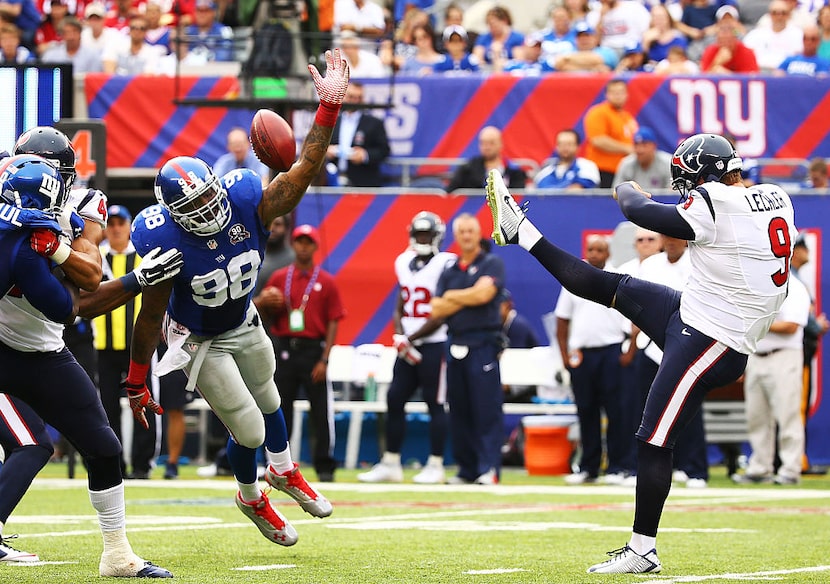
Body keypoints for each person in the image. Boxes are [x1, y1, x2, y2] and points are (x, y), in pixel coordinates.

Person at [486, 132, 796, 573]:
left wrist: (626, 185)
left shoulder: (716, 204)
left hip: (712, 339)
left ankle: (642, 550)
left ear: (706, 176)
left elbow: (635, 209)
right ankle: (521, 231)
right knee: (605, 284)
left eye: (688, 181)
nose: (686, 190)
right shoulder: (776, 195)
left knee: (652, 439)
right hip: (695, 312)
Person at [125, 49, 348, 547]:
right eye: (192, 206)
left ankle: (284, 470)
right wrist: (138, 378)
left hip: (241, 318)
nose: (206, 209)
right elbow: (150, 315)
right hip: (198, 339)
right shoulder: (163, 240)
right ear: (172, 214)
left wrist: (328, 110)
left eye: (208, 196)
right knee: (248, 430)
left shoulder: (249, 197)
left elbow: (303, 170)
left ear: (217, 184)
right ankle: (250, 497)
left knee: (270, 397)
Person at [0, 148, 182, 575]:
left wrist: (59, 252)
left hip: (45, 352)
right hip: (2, 351)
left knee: (103, 447)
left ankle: (117, 555)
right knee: (30, 444)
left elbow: (90, 277)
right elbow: (67, 306)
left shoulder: (74, 211)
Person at [358, 211, 454, 484]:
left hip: (434, 345)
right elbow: (400, 302)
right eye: (419, 234)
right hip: (407, 347)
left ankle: (436, 464)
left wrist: (410, 338)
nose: (423, 239)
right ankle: (391, 462)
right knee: (395, 399)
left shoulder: (446, 264)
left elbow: (443, 312)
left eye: (427, 234)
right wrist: (400, 333)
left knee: (435, 404)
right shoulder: (403, 262)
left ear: (437, 236)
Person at [411, 213, 505, 485]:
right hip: (455, 341)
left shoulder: (492, 263)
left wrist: (453, 297)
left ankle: (489, 468)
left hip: (483, 343)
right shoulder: (450, 269)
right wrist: (465, 296)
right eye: (461, 231)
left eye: (470, 231)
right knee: (459, 409)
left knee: (486, 409)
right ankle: (467, 469)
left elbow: (485, 294)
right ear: (455, 235)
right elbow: (436, 307)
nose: (466, 235)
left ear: (478, 234)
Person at [258, 224, 346, 483]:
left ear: (315, 246)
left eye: (309, 242)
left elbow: (334, 320)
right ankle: (278, 463)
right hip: (284, 347)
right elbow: (262, 310)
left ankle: (324, 466)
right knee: (279, 409)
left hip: (312, 350)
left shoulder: (326, 282)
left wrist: (325, 358)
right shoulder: (279, 277)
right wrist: (265, 302)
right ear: (294, 245)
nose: (304, 246)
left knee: (320, 411)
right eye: (300, 242)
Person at [635, 235, 709, 489]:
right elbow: (639, 303)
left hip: (686, 346)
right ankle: (661, 467)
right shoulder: (650, 265)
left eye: (676, 237)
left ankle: (696, 469)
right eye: (667, 237)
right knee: (649, 412)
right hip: (651, 345)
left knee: (689, 410)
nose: (671, 242)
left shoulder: (699, 263)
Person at [93, 204, 160, 480]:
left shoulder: (145, 257)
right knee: (106, 408)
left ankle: (143, 465)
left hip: (138, 347)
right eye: (112, 223)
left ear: (130, 226)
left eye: (121, 223)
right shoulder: (96, 257)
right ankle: (115, 464)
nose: (116, 228)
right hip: (104, 346)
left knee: (145, 402)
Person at [554, 234, 628, 485]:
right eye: (590, 249)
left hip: (611, 350)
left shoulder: (619, 278)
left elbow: (631, 320)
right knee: (586, 410)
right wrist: (564, 354)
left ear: (608, 254)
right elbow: (562, 319)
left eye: (599, 250)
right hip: (582, 355)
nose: (594, 254)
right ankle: (589, 467)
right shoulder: (574, 277)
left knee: (616, 412)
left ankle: (617, 467)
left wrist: (628, 352)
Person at [732, 273, 810, 485]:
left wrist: (758, 324)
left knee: (788, 415)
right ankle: (760, 468)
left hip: (784, 355)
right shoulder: (758, 285)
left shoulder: (794, 287)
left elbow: (791, 326)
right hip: (757, 355)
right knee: (756, 417)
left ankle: (790, 470)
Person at [327, 80, 391, 187]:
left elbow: (384, 150)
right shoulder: (331, 121)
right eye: (351, 97)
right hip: (332, 179)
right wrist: (326, 151)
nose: (355, 101)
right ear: (344, 97)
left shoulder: (374, 123)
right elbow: (316, 145)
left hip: (363, 181)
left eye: (359, 98)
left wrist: (365, 155)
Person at [583, 78, 637, 188]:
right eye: (614, 92)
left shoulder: (627, 116)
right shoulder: (599, 112)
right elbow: (598, 140)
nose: (618, 96)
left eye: (621, 92)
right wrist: (627, 148)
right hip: (603, 170)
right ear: (607, 95)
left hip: (624, 170)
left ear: (627, 95)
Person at [446, 126, 527, 193]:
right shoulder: (467, 169)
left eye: (491, 143)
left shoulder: (514, 171)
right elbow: (450, 192)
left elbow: (519, 197)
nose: (487, 147)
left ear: (501, 144)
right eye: (483, 143)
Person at [533, 129, 600, 190]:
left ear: (578, 147)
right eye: (561, 144)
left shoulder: (587, 166)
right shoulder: (546, 170)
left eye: (569, 144)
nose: (565, 148)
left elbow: (577, 190)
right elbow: (540, 192)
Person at [612, 127, 673, 191]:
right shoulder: (626, 163)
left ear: (654, 146)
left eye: (644, 145)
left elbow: (674, 192)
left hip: (661, 201)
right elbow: (616, 191)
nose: (640, 150)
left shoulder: (667, 163)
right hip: (634, 200)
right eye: (636, 145)